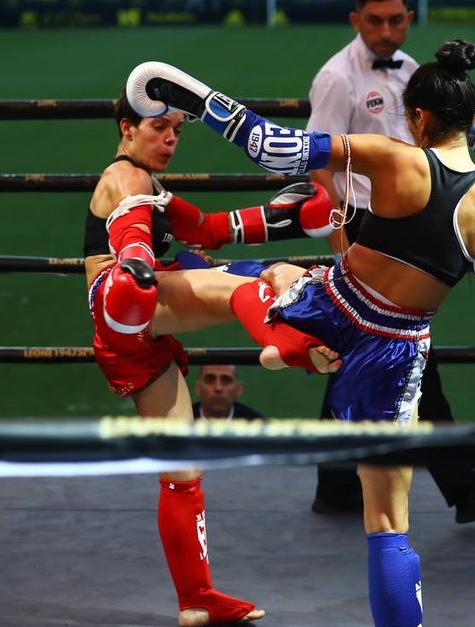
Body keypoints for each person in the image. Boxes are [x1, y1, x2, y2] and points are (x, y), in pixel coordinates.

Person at [125, 38, 475, 627]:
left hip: (331, 307)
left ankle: (254, 330)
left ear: (420, 117)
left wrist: (196, 101)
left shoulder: (397, 158)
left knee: (235, 275)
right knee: (387, 526)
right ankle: (284, 338)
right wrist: (474, 120)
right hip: (397, 349)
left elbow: (279, 150)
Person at [84, 94, 340, 626]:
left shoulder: (150, 186)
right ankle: (287, 345)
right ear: (127, 129)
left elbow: (206, 227)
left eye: (178, 129)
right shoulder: (124, 178)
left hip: (130, 340)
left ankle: (196, 599)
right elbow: (129, 226)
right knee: (241, 282)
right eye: (160, 127)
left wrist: (280, 218)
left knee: (182, 471)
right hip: (127, 300)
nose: (171, 139)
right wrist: (135, 260)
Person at [306, 0, 475, 523]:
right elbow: (318, 164)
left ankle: (337, 485)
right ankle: (461, 487)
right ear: (356, 20)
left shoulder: (423, 76)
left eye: (396, 19)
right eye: (374, 20)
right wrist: (342, 240)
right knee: (410, 360)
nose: (386, 30)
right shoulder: (336, 79)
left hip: (415, 223)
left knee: (361, 355)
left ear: (409, 19)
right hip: (365, 231)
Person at [192, 364, 265, 421]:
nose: (218, 388)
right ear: (198, 388)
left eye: (226, 380)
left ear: (238, 389)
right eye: (210, 380)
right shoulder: (182, 421)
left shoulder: (257, 425)